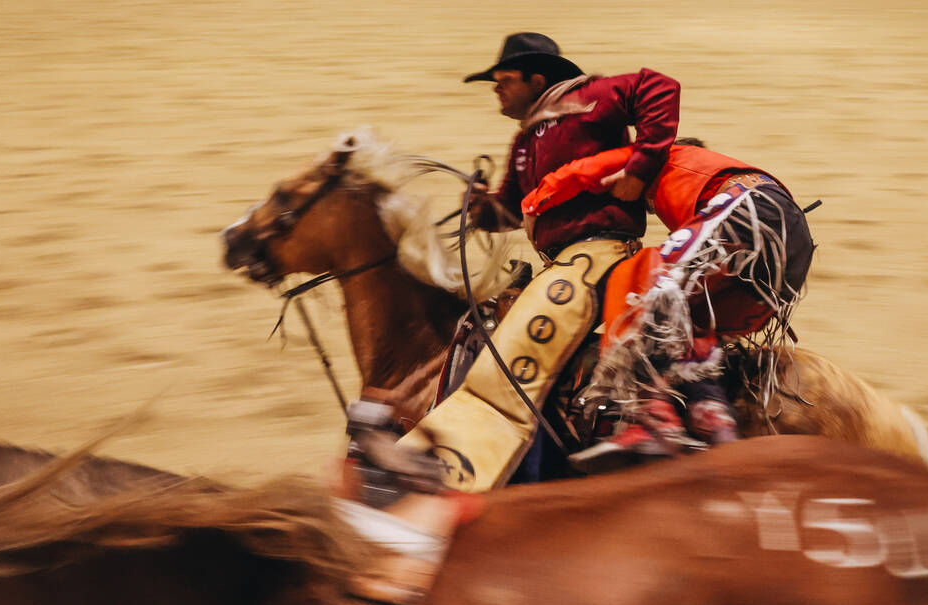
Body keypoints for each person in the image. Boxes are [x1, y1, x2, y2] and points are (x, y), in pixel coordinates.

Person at [349, 32, 681, 495]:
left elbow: (659, 87)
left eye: (503, 79)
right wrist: (482, 207)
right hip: (561, 263)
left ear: (536, 78)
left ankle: (493, 480)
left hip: (598, 252)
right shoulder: (524, 141)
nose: (495, 88)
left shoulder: (590, 98)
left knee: (514, 352)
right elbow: (510, 209)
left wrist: (642, 166)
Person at [520, 138, 815, 465]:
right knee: (685, 318)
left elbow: (584, 169)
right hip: (783, 265)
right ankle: (712, 414)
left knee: (639, 277)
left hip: (753, 211)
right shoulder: (701, 191)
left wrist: (533, 204)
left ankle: (651, 418)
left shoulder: (659, 154)